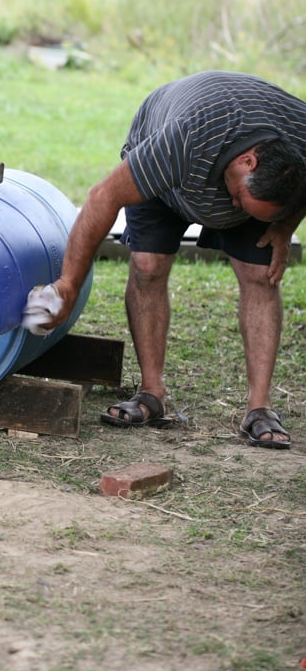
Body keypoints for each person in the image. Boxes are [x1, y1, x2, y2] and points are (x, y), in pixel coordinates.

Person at [22, 70, 306, 450]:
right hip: (170, 174)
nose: (232, 207)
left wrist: (285, 226)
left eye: (243, 207)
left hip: (247, 169)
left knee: (260, 275)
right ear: (248, 162)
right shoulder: (185, 139)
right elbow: (103, 197)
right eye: (238, 198)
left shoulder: (298, 135)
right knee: (147, 267)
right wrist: (69, 284)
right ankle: (151, 393)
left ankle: (260, 409)